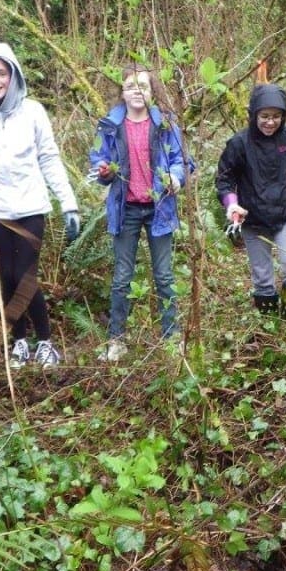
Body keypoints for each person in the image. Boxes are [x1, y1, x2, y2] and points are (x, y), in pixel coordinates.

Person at [0, 42, 79, 369]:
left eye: (1, 73)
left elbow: (49, 158)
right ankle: (19, 341)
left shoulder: (33, 111)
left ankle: (46, 341)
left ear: (13, 75)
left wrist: (68, 203)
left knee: (26, 276)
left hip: (30, 206)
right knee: (6, 277)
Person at [89, 62, 187, 362]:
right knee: (121, 277)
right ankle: (117, 340)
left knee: (165, 277)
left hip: (160, 209)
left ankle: (171, 340)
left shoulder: (166, 124)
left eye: (142, 86)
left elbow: (181, 160)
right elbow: (97, 160)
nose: (136, 91)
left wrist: (175, 177)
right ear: (122, 90)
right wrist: (103, 170)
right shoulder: (108, 125)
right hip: (125, 209)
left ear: (152, 91)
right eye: (131, 86)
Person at [215, 83, 286, 319]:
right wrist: (231, 204)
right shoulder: (239, 143)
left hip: (285, 215)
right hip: (252, 218)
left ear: (284, 116)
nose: (270, 122)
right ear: (253, 115)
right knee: (262, 275)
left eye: (276, 117)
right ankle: (269, 325)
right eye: (264, 116)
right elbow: (224, 179)